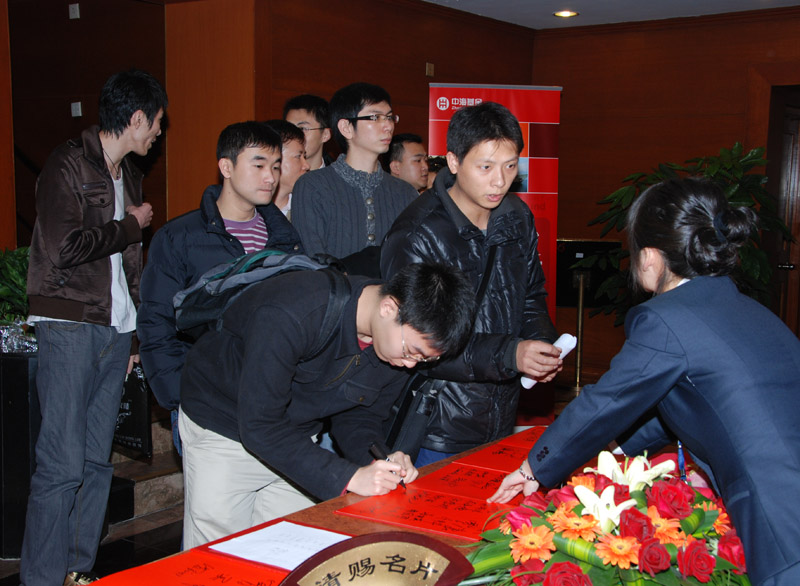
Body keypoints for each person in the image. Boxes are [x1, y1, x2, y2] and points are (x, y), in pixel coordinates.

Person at [489, 177, 800, 586]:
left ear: (650, 256)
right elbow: (692, 401)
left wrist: (534, 469)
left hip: (780, 517)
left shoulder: (668, 318)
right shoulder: (748, 310)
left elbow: (606, 401)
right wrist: (616, 452)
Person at [178, 262, 476, 548]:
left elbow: (360, 415)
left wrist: (380, 460)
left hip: (297, 438)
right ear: (389, 308)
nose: (411, 364)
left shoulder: (392, 349)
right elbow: (260, 425)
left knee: (292, 549)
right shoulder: (296, 310)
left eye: (424, 359)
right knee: (220, 553)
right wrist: (348, 477)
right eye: (411, 351)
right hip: (224, 427)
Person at [21, 69, 167, 586]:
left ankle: (76, 570)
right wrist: (129, 226)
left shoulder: (129, 174)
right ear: (137, 118)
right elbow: (64, 248)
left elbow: (130, 270)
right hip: (69, 324)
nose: (158, 133)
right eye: (157, 123)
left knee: (96, 462)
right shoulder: (66, 164)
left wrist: (134, 335)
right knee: (61, 464)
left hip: (114, 330)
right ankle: (42, 578)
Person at [381, 102, 561, 467]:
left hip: (501, 412)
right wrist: (511, 354)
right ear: (453, 162)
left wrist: (540, 344)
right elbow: (414, 342)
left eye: (510, 166)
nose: (500, 181)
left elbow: (531, 295)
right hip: (437, 421)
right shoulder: (418, 235)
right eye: (486, 167)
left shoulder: (517, 217)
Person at [137, 122, 302, 419]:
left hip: (273, 399)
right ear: (226, 167)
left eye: (276, 166)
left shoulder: (286, 238)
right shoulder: (180, 237)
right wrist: (178, 395)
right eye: (259, 165)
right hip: (203, 396)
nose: (270, 177)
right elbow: (156, 321)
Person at [292, 82, 418, 260]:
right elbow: (313, 261)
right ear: (346, 128)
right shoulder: (312, 187)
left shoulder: (406, 193)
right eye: (375, 117)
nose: (388, 126)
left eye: (390, 117)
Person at [264, 119, 311, 220]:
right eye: (298, 157)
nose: (306, 166)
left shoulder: (310, 209)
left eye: (304, 157)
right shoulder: (248, 211)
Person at [283, 94, 332, 170]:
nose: (294, 135)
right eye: (289, 128)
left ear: (325, 135)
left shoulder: (339, 175)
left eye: (302, 129)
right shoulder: (274, 175)